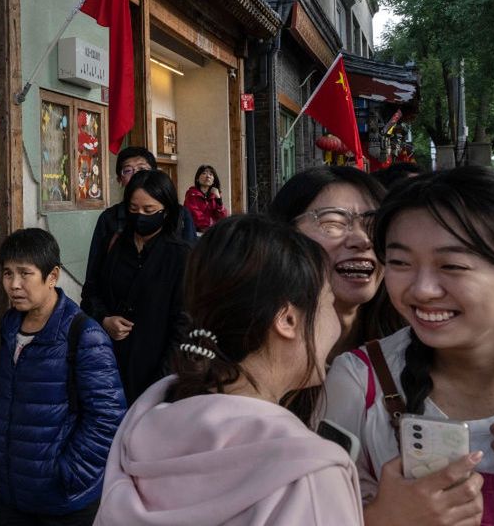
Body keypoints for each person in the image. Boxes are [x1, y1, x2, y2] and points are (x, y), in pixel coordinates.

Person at [95, 215, 363, 525]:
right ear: (287, 320)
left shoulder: (145, 422)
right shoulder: (308, 474)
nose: (341, 321)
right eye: (330, 302)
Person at [323, 166, 494, 526]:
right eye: (399, 263)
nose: (423, 289)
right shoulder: (360, 381)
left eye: (452, 265)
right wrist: (381, 520)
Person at [0, 228, 127, 525]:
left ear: (52, 276)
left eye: (25, 274)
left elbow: (108, 416)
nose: (14, 285)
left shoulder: (84, 335)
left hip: (63, 500)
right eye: (8, 274)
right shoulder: (10, 324)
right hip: (13, 490)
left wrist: (70, 472)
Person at [81, 170, 190, 403]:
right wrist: (104, 319)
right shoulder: (115, 245)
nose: (140, 216)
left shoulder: (181, 256)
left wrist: (161, 386)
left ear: (167, 210)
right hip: (108, 368)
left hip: (156, 373)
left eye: (149, 210)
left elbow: (184, 325)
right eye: (133, 209)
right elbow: (90, 293)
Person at [269, 166, 403, 355]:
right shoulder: (253, 352)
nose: (362, 240)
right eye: (333, 223)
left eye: (373, 225)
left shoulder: (410, 350)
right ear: (285, 236)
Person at [84, 147, 195, 295]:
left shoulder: (180, 215)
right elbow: (93, 279)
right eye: (128, 170)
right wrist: (104, 317)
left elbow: (192, 272)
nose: (137, 174)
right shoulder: (109, 218)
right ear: (119, 179)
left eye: (143, 169)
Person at [184, 164, 228, 233]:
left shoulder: (215, 195)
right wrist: (213, 224)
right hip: (196, 232)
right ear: (197, 179)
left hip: (212, 232)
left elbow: (223, 216)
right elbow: (196, 216)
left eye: (211, 174)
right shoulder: (191, 194)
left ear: (213, 181)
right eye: (204, 173)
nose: (208, 176)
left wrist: (218, 198)